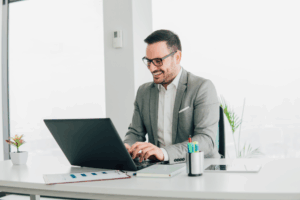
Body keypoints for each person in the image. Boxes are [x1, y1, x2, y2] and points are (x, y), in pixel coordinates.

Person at [123, 29, 220, 164]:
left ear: (177, 57)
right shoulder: (143, 92)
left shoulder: (202, 88)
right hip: (159, 169)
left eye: (158, 61)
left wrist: (163, 153)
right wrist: (127, 146)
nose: (152, 68)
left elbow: (206, 140)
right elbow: (135, 133)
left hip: (198, 167)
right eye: (148, 61)